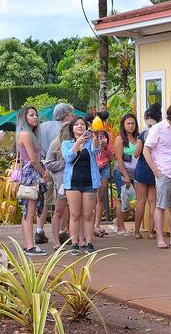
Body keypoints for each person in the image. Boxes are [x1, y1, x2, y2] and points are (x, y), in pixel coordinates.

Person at [144, 102, 171, 249]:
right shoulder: (158, 129)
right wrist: (156, 171)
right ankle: (160, 238)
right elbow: (146, 150)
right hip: (164, 171)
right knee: (161, 206)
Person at [55, 115, 99, 252]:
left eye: (82, 124)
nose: (80, 126)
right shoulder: (66, 143)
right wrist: (77, 143)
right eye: (76, 124)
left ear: (86, 127)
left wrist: (96, 139)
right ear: (72, 128)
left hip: (89, 183)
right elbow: (68, 158)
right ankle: (74, 243)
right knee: (74, 215)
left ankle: (89, 243)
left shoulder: (90, 142)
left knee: (88, 214)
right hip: (73, 183)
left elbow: (96, 151)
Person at [14, 106, 50, 255]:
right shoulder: (26, 135)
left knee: (28, 211)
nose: (35, 117)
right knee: (29, 211)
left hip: (30, 173)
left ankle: (28, 244)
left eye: (36, 115)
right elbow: (33, 160)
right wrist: (43, 173)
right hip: (31, 175)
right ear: (24, 118)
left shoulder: (29, 134)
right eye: (31, 115)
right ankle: (30, 246)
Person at [38, 103, 73, 245]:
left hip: (45, 166)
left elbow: (38, 147)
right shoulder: (68, 128)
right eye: (71, 114)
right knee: (63, 203)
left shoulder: (42, 127)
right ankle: (61, 231)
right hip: (61, 169)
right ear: (65, 115)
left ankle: (39, 230)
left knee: (45, 200)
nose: (72, 117)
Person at [132, 104, 160, 239]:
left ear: (148, 118)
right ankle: (151, 232)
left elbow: (136, 154)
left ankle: (137, 232)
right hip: (156, 170)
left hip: (143, 169)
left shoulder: (143, 134)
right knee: (153, 202)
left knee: (141, 202)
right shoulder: (162, 132)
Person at [112, 112, 141, 236]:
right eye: (128, 123)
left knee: (133, 200)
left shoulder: (139, 138)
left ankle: (123, 224)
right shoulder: (120, 139)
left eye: (133, 123)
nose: (131, 126)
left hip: (136, 172)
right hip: (122, 171)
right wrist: (125, 175)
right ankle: (121, 226)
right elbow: (119, 159)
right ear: (123, 125)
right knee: (122, 198)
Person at [90, 115, 115, 237]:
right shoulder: (88, 135)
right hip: (92, 167)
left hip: (104, 166)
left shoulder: (107, 135)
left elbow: (111, 156)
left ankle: (97, 225)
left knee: (100, 197)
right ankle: (90, 226)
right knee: (91, 197)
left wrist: (105, 146)